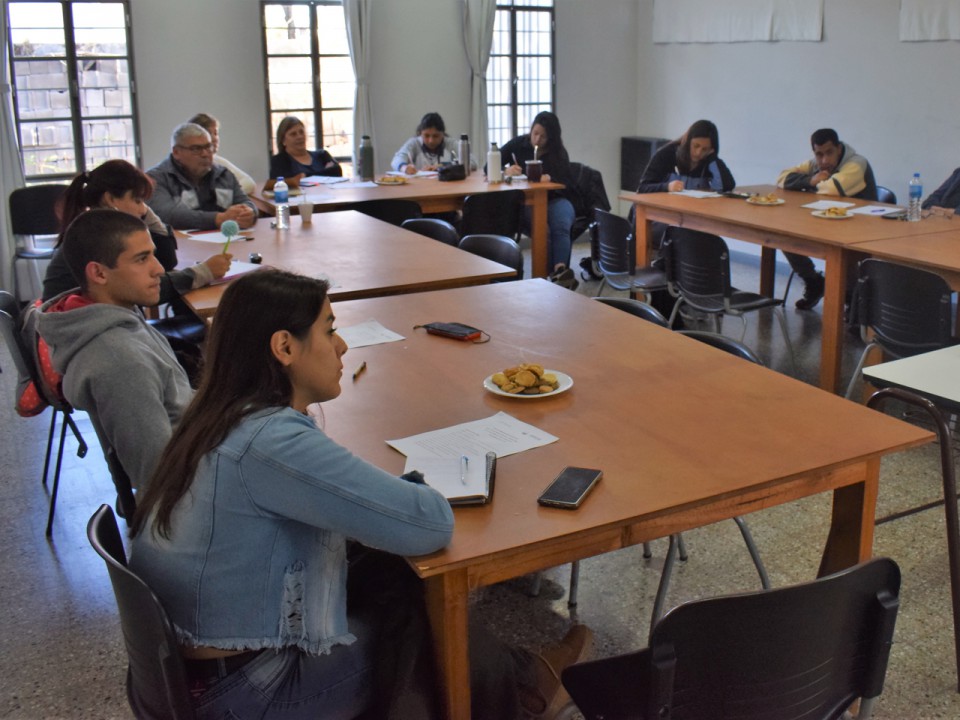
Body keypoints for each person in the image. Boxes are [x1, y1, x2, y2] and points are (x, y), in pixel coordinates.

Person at [127, 268, 593, 720]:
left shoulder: (217, 413)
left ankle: (523, 680)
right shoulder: (270, 442)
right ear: (284, 347)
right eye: (329, 330)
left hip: (198, 672)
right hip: (252, 692)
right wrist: (401, 486)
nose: (342, 345)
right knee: (424, 622)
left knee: (395, 575)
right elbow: (430, 524)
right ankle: (530, 686)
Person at [31, 210, 193, 494]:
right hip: (194, 482)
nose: (158, 269)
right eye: (141, 259)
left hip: (197, 440)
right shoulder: (121, 361)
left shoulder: (109, 316)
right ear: (99, 273)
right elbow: (158, 480)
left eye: (153, 255)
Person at [41, 159, 230, 303]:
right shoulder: (97, 237)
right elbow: (142, 287)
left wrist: (146, 214)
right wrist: (203, 272)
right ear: (110, 199)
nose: (143, 209)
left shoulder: (101, 226)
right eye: (137, 200)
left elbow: (167, 261)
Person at [633, 119, 736, 321]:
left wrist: (713, 159)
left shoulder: (708, 161)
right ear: (687, 141)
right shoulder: (667, 154)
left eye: (705, 149)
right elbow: (642, 188)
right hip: (655, 219)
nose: (698, 153)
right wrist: (666, 187)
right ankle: (676, 297)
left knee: (703, 239)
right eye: (695, 146)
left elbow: (726, 186)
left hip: (688, 221)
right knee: (684, 238)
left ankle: (697, 297)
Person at [776, 128, 878, 310]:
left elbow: (831, 189)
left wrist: (809, 182)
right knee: (784, 236)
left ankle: (854, 299)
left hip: (861, 227)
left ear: (839, 148)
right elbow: (782, 178)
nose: (824, 161)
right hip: (829, 221)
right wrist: (811, 180)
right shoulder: (815, 165)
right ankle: (814, 281)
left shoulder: (856, 163)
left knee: (841, 250)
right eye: (819, 154)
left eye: (829, 153)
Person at [500, 111, 578, 282]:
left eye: (543, 137)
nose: (537, 139)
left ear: (551, 138)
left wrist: (550, 177)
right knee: (543, 229)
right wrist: (506, 171)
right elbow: (489, 166)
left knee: (562, 224)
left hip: (555, 199)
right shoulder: (518, 144)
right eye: (535, 133)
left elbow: (568, 182)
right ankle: (545, 278)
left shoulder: (558, 153)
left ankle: (560, 271)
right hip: (527, 201)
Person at [147, 122, 257, 231]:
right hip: (181, 241)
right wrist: (218, 219)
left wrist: (249, 213)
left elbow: (245, 202)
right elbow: (166, 214)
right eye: (196, 149)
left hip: (228, 239)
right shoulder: (156, 178)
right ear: (176, 152)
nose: (205, 154)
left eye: (208, 147)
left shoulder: (223, 174)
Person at [188, 112, 256, 195]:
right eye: (209, 134)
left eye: (216, 133)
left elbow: (248, 183)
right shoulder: (185, 165)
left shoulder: (217, 161)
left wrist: (225, 195)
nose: (215, 139)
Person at [391, 112, 477, 173]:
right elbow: (396, 160)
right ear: (420, 133)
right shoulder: (414, 143)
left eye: (435, 136)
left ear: (443, 134)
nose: (431, 141)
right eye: (426, 136)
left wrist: (444, 166)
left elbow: (473, 162)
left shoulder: (450, 143)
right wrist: (404, 167)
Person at [269, 116, 343, 180]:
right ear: (283, 141)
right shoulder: (278, 161)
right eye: (293, 134)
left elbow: (337, 171)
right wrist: (325, 172)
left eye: (301, 132)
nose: (299, 137)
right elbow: (288, 181)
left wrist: (305, 176)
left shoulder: (322, 155)